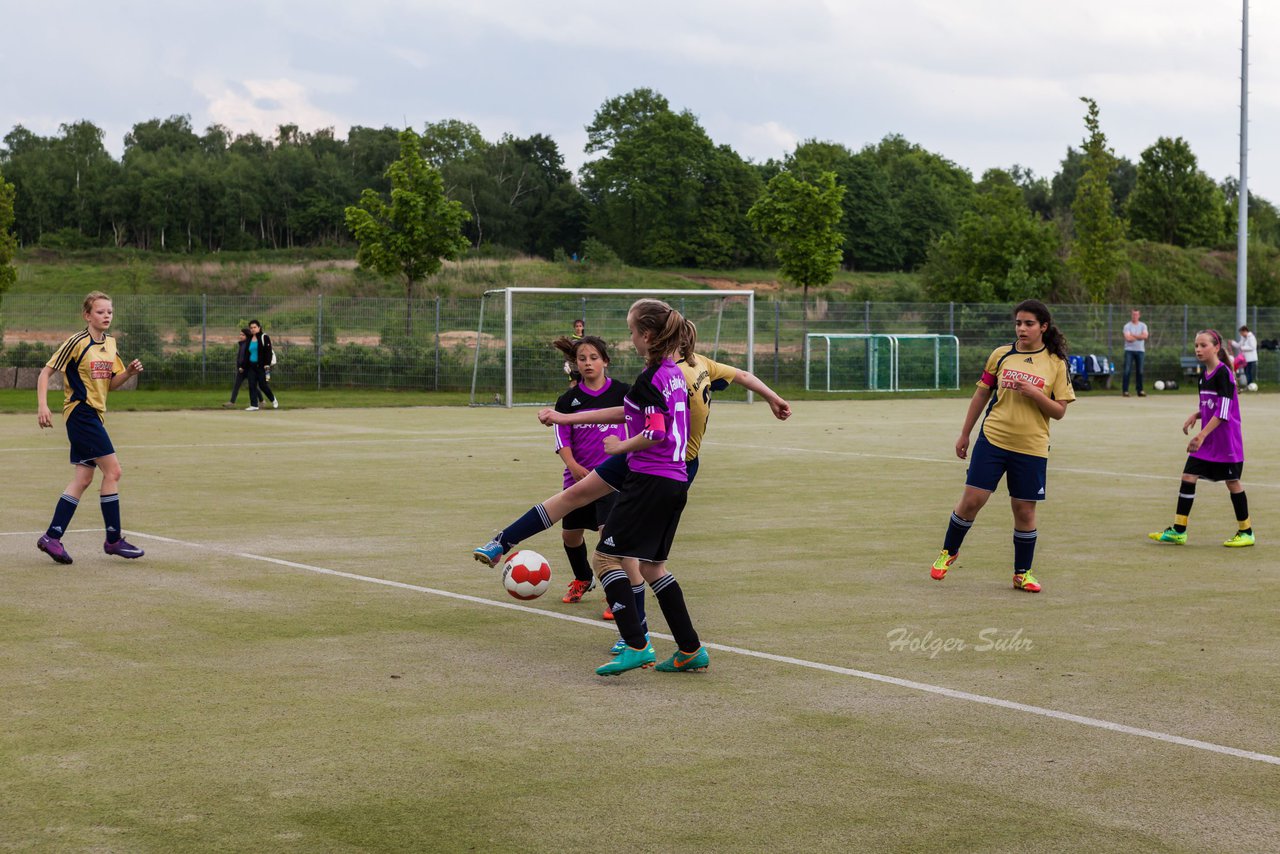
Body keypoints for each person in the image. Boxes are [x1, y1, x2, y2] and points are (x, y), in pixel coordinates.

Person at [472, 331, 791, 641]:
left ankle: (637, 638)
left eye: (634, 330)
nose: (632, 337)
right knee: (584, 506)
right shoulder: (699, 366)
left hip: (658, 466)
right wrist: (773, 398)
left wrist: (596, 434)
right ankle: (503, 541)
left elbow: (641, 421)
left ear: (653, 337)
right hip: (664, 462)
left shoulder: (662, 376)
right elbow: (743, 377)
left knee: (624, 556)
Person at [586, 298, 701, 675]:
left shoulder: (651, 378)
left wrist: (620, 445)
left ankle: (636, 645)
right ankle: (690, 649)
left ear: (646, 335)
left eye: (631, 331)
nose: (630, 337)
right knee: (652, 567)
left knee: (604, 558)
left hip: (650, 479)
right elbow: (645, 415)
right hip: (675, 481)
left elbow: (654, 431)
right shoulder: (672, 373)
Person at [930, 299, 1075, 593]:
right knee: (972, 501)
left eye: (1029, 323)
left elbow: (1059, 412)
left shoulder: (1056, 363)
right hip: (993, 440)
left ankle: (1022, 573)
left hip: (1032, 446)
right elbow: (981, 396)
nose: (1022, 328)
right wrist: (964, 434)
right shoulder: (1001, 355)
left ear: (1043, 327)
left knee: (1024, 510)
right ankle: (949, 551)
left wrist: (1035, 393)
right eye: (1018, 323)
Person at [35, 291, 147, 564]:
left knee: (83, 479)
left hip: (94, 416)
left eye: (109, 311)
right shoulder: (76, 342)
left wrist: (128, 373)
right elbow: (45, 372)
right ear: (87, 315)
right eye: (100, 311)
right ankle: (113, 539)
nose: (106, 315)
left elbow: (110, 383)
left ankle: (52, 537)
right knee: (114, 471)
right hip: (80, 414)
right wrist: (43, 405)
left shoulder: (110, 344)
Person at [1149, 330, 1253, 548]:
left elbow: (1223, 412)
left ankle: (1246, 531)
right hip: (1208, 441)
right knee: (1188, 475)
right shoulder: (1202, 376)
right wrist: (1195, 415)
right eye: (1196, 345)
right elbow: (1209, 405)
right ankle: (1179, 530)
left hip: (1225, 441)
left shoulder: (1224, 374)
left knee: (1232, 482)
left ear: (1216, 347)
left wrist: (1201, 435)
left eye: (1203, 345)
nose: (1198, 349)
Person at [548, 334, 629, 606]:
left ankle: (614, 593)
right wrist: (573, 466)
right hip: (577, 479)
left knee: (609, 536)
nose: (588, 363)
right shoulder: (568, 400)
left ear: (606, 361)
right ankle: (583, 577)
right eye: (582, 359)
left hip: (611, 479)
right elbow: (562, 439)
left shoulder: (623, 393)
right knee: (570, 536)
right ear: (575, 364)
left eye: (594, 358)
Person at [244, 319, 278, 411]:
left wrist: (267, 364)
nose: (253, 329)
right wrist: (244, 365)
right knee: (252, 385)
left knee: (263, 385)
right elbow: (247, 353)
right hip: (252, 366)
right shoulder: (249, 339)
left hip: (262, 366)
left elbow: (268, 352)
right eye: (251, 328)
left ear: (259, 327)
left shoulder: (264, 337)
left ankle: (273, 399)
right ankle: (254, 405)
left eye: (255, 327)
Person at [222, 327, 252, 408]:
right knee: (236, 385)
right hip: (241, 370)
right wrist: (239, 366)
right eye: (240, 334)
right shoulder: (241, 344)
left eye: (242, 335)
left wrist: (243, 367)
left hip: (248, 369)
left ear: (247, 336)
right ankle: (232, 402)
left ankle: (261, 401)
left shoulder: (248, 345)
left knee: (253, 386)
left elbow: (247, 358)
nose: (240, 336)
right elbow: (239, 357)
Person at [1122, 308, 1149, 398]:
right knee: (1127, 370)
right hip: (1129, 350)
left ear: (1139, 315)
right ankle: (1125, 390)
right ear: (1131, 315)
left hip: (1140, 351)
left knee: (1140, 371)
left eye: (1136, 315)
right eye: (1133, 314)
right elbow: (1128, 338)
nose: (1135, 316)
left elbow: (1145, 336)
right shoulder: (1127, 326)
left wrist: (1133, 335)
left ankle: (1140, 390)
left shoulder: (1143, 325)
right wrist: (1139, 336)